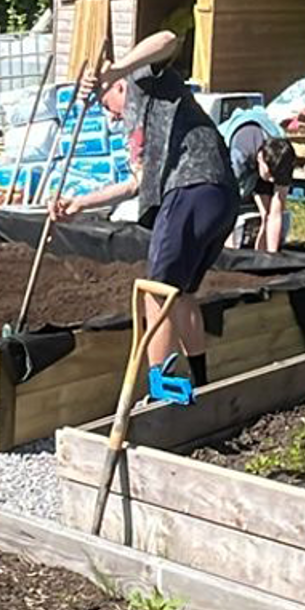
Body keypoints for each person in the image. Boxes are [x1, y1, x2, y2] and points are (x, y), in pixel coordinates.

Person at [50, 27, 237, 388]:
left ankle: (160, 388)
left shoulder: (143, 80)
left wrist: (115, 69)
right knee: (180, 295)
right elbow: (136, 183)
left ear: (115, 88)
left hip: (192, 183)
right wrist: (80, 204)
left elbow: (168, 38)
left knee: (156, 290)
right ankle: (198, 383)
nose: (112, 117)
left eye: (106, 106)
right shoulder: (131, 131)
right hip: (218, 195)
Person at [220, 106, 296, 253]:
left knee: (267, 214)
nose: (273, 180)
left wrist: (273, 258)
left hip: (263, 164)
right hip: (229, 159)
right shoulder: (240, 152)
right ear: (260, 158)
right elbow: (226, 206)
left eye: (276, 177)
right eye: (270, 175)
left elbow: (276, 214)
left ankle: (263, 256)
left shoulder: (283, 159)